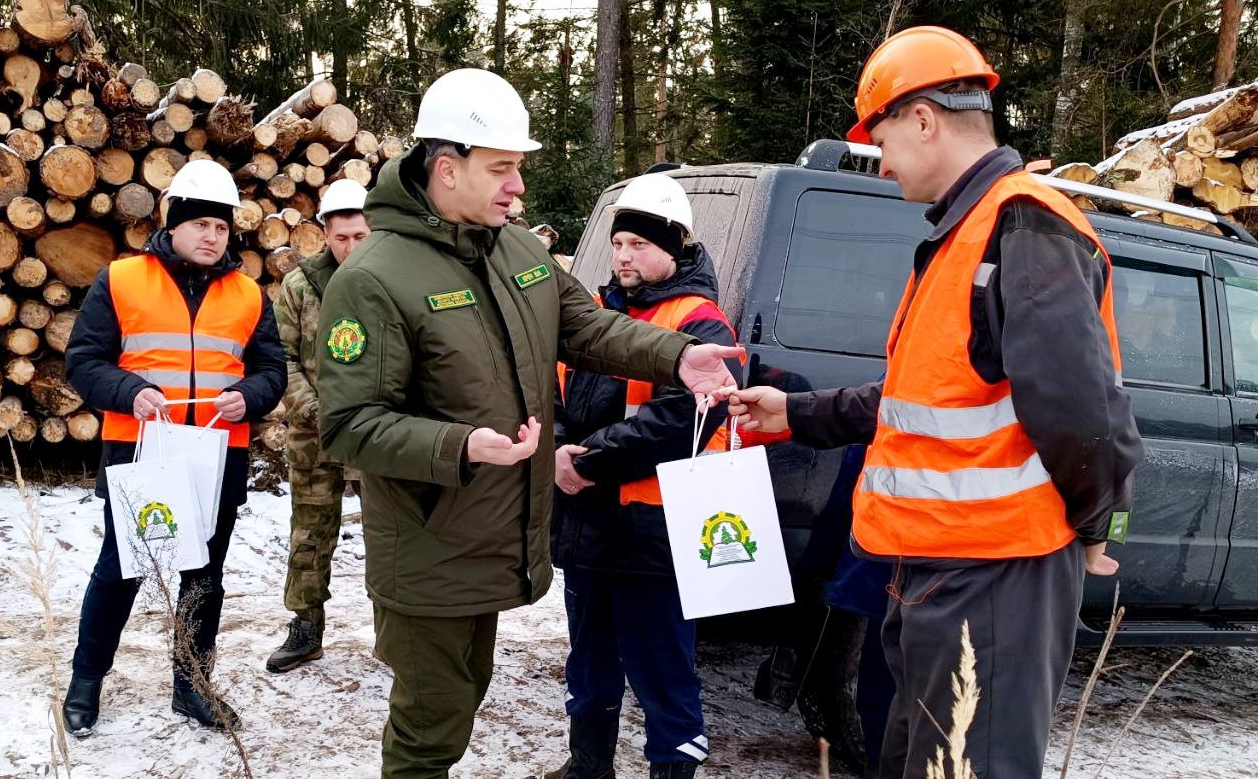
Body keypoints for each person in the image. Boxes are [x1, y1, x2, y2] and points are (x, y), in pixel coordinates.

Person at [727, 27, 1143, 778]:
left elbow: (1087, 414)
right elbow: (920, 399)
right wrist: (798, 413)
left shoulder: (1024, 225)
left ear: (923, 119)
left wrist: (1099, 523)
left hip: (996, 573)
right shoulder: (966, 235)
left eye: (881, 135)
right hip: (938, 572)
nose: (880, 161)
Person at [314, 68, 742, 779]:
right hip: (428, 548)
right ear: (446, 169)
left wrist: (680, 355)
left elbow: (588, 327)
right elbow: (350, 424)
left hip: (495, 536)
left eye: (519, 168)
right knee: (429, 727)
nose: (518, 186)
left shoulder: (518, 250)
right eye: (502, 168)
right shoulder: (373, 278)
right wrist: (459, 444)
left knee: (460, 697)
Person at [61, 159, 286, 735]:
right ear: (173, 222)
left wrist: (248, 397)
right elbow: (83, 362)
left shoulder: (249, 295)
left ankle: (192, 687)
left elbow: (271, 372)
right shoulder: (121, 279)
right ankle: (86, 681)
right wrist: (130, 390)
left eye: (222, 226)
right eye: (202, 224)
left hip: (217, 454)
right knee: (121, 567)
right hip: (140, 449)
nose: (213, 236)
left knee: (203, 575)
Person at [546, 174, 742, 779]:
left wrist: (585, 462)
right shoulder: (598, 314)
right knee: (590, 666)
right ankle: (588, 768)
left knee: (663, 674)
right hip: (589, 528)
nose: (623, 256)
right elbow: (549, 393)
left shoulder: (701, 323)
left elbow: (677, 422)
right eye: (618, 244)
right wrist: (554, 449)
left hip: (654, 534)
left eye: (637, 244)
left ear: (675, 244)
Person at [266, 179, 371, 673]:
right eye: (341, 237)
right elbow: (281, 357)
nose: (350, 247)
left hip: (379, 431)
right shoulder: (300, 284)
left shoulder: (391, 280)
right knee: (310, 530)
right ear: (324, 233)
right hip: (315, 431)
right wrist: (315, 409)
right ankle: (306, 629)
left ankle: (395, 632)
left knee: (391, 534)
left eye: (360, 236)